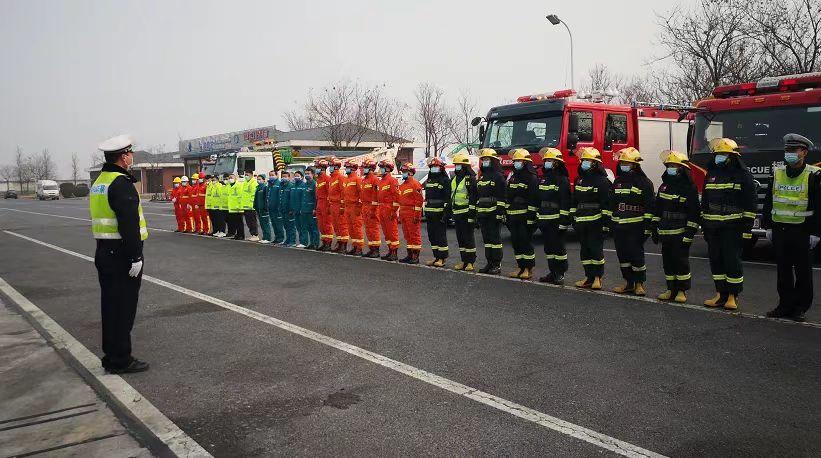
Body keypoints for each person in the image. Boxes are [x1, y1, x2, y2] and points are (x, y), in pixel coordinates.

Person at [90, 134, 149, 374]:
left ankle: (112, 355)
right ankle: (121, 359)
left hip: (105, 250)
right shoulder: (121, 183)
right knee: (123, 308)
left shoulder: (100, 181)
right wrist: (135, 257)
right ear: (124, 157)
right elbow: (129, 224)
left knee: (111, 306)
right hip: (122, 253)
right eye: (130, 153)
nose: (132, 156)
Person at [762, 133, 820, 322]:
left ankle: (800, 308)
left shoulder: (813, 174)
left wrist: (816, 232)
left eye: (793, 150)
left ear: (803, 152)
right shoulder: (778, 172)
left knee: (803, 272)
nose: (789, 154)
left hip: (802, 231)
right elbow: (769, 201)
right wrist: (767, 226)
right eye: (787, 150)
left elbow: (819, 205)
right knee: (783, 271)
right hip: (780, 230)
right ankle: (784, 305)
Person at [701, 137, 757, 310]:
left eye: (724, 154)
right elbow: (705, 202)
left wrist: (746, 230)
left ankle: (733, 296)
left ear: (733, 156)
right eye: (718, 154)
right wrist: (704, 226)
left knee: (732, 262)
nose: (720, 157)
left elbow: (750, 204)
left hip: (733, 228)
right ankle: (720, 294)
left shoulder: (743, 175)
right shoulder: (711, 175)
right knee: (716, 261)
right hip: (713, 228)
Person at [652, 150, 700, 303]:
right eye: (669, 165)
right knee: (668, 262)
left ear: (681, 168)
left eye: (674, 165)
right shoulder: (664, 186)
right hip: (665, 231)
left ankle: (681, 291)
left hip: (680, 232)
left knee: (681, 262)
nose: (670, 168)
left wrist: (689, 233)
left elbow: (694, 213)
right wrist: (654, 227)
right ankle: (670, 289)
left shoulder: (689, 188)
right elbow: (657, 209)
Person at [609, 147, 655, 296]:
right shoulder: (618, 182)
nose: (623, 165)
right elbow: (612, 204)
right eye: (622, 162)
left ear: (635, 165)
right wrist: (611, 223)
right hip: (619, 225)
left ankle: (639, 284)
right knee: (623, 256)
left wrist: (647, 228)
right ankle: (628, 283)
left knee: (636, 255)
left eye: (626, 163)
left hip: (636, 226)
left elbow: (649, 207)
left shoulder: (644, 183)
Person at [572, 147, 611, 290]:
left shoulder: (603, 181)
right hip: (581, 221)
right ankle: (588, 277)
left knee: (595, 250)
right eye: (583, 160)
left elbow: (606, 204)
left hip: (596, 221)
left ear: (595, 163)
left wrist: (605, 224)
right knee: (585, 251)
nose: (584, 163)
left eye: (588, 161)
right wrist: (573, 217)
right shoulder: (579, 180)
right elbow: (574, 200)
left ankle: (597, 278)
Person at [536, 147, 571, 285]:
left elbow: (565, 202)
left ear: (556, 163)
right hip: (545, 219)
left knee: (558, 248)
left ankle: (560, 273)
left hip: (556, 220)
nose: (546, 163)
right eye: (545, 161)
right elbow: (539, 199)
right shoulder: (544, 179)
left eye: (549, 160)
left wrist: (563, 221)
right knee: (549, 249)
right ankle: (553, 272)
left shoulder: (562, 180)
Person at [506, 149, 539, 279]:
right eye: (515, 162)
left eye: (518, 161)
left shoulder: (531, 178)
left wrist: (531, 218)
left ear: (525, 163)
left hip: (525, 216)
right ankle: (520, 267)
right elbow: (508, 195)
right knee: (516, 242)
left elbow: (533, 198)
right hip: (513, 215)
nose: (516, 164)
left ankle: (528, 268)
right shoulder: (513, 177)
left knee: (525, 242)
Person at [475, 148, 506, 275]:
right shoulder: (482, 177)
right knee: (487, 241)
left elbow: (502, 196)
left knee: (495, 240)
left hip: (493, 214)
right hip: (483, 214)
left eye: (487, 159)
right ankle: (489, 263)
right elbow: (479, 197)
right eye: (483, 160)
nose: (485, 162)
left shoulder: (498, 176)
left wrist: (499, 213)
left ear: (493, 161)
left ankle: (497, 265)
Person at [450, 151, 478, 271]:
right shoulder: (455, 179)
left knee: (468, 238)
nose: (457, 167)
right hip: (457, 213)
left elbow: (473, 196)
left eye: (459, 165)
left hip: (466, 213)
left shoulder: (470, 179)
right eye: (456, 164)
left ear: (465, 166)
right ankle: (464, 261)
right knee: (460, 239)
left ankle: (470, 262)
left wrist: (472, 214)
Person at [424, 157, 451, 267]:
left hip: (439, 213)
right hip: (430, 213)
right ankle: (436, 257)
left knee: (440, 236)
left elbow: (447, 198)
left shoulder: (445, 180)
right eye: (432, 167)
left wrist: (445, 214)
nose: (434, 169)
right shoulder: (429, 180)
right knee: (432, 236)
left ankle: (442, 258)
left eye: (436, 167)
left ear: (440, 168)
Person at [398, 162, 424, 264]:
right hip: (404, 212)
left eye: (404, 172)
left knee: (414, 235)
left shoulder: (415, 184)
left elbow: (419, 201)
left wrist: (417, 215)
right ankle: (409, 255)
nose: (403, 173)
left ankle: (415, 256)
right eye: (402, 171)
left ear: (410, 173)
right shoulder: (402, 186)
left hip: (412, 212)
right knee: (407, 235)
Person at [378, 160, 400, 261]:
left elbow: (396, 197)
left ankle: (394, 253)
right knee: (386, 232)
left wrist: (393, 210)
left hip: (389, 208)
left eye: (382, 167)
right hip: (382, 208)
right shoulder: (381, 181)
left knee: (392, 232)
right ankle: (390, 251)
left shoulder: (392, 180)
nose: (380, 169)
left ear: (387, 169)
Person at [360, 159, 382, 257]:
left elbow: (376, 196)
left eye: (365, 167)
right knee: (368, 229)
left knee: (374, 229)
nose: (363, 169)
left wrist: (373, 209)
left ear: (371, 169)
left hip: (372, 207)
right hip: (365, 207)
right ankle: (371, 248)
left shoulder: (375, 179)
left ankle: (376, 250)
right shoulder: (364, 180)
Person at [343, 160, 365, 255]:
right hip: (348, 207)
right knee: (350, 228)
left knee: (357, 227)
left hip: (355, 207)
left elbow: (362, 194)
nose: (346, 169)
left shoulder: (357, 179)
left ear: (352, 169)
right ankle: (355, 246)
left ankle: (359, 248)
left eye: (348, 167)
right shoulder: (346, 180)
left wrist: (359, 207)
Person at [328, 158, 350, 253]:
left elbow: (343, 192)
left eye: (331, 166)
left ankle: (344, 245)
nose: (330, 168)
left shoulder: (340, 178)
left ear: (336, 167)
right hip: (333, 204)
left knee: (342, 225)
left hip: (339, 205)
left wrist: (342, 206)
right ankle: (340, 242)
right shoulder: (331, 178)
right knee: (336, 225)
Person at [314, 159, 333, 251]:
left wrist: (329, 206)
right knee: (321, 224)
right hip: (319, 203)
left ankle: (328, 243)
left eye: (318, 168)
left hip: (325, 203)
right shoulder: (318, 179)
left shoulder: (327, 179)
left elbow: (329, 193)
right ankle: (324, 241)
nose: (316, 169)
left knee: (327, 224)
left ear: (323, 169)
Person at [301, 168, 320, 249]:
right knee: (308, 227)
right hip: (305, 209)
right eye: (305, 173)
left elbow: (316, 198)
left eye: (308, 173)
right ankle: (311, 243)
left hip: (312, 209)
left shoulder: (314, 184)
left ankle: (316, 243)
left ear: (313, 174)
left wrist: (315, 208)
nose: (307, 175)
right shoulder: (305, 184)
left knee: (314, 228)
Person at [290, 170, 308, 248]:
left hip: (301, 210)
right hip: (295, 210)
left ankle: (304, 242)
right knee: (298, 226)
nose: (296, 177)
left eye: (298, 176)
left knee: (303, 226)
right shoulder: (293, 186)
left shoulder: (304, 185)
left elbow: (304, 198)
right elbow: (292, 198)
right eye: (295, 176)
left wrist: (302, 208)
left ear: (302, 177)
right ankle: (301, 241)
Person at [279, 171, 297, 246]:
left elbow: (292, 199)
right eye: (283, 176)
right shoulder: (281, 186)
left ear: (289, 177)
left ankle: (292, 241)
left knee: (291, 226)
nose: (284, 178)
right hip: (283, 209)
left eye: (285, 176)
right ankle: (287, 239)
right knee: (286, 226)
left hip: (289, 210)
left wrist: (291, 209)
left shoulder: (291, 186)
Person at [241, 171, 260, 242]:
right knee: (248, 221)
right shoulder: (245, 182)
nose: (246, 176)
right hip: (246, 206)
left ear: (251, 175)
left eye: (247, 175)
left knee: (252, 221)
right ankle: (252, 234)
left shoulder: (254, 183)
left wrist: (252, 204)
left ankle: (255, 235)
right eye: (245, 175)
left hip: (251, 206)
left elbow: (253, 195)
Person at [266, 170, 284, 244]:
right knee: (273, 223)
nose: (271, 176)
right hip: (271, 207)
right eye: (270, 175)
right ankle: (276, 237)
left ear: (277, 175)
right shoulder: (269, 185)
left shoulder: (279, 184)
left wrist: (279, 206)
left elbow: (280, 196)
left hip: (277, 208)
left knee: (278, 224)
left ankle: (280, 238)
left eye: (272, 175)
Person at [254, 174, 273, 244]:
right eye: (257, 179)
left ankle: (267, 238)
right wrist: (255, 206)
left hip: (264, 209)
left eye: (260, 179)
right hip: (259, 208)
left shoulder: (265, 187)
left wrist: (265, 208)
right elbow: (256, 199)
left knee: (266, 224)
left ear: (264, 180)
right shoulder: (258, 187)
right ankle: (264, 237)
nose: (258, 180)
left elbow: (266, 199)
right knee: (262, 224)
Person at [227, 173, 244, 239]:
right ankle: (237, 234)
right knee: (234, 222)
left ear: (235, 178)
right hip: (232, 207)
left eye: (231, 178)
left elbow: (240, 197)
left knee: (239, 222)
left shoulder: (239, 185)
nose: (230, 179)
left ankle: (241, 235)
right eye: (229, 178)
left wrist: (239, 206)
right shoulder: (229, 185)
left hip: (238, 207)